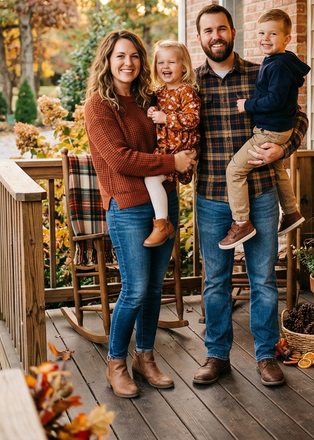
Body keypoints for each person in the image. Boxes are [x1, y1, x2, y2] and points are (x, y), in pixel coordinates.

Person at [191, 4, 308, 388]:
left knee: (263, 279)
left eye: (221, 29)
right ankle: (216, 356)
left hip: (258, 193)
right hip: (210, 194)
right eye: (208, 31)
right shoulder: (193, 85)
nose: (215, 36)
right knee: (215, 281)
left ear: (233, 32)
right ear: (200, 37)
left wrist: (284, 147)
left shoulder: (264, 71)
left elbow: (299, 118)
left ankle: (266, 355)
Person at [84, 30, 197, 398]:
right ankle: (116, 363)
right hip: (129, 206)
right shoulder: (99, 105)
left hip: (165, 200)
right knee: (134, 289)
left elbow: (174, 130)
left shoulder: (148, 97)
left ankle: (144, 359)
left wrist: (182, 159)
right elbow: (119, 159)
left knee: (153, 289)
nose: (128, 63)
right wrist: (171, 161)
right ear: (107, 59)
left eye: (134, 56)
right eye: (120, 56)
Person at [220, 9, 310, 249]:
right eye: (261, 33)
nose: (265, 38)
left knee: (234, 172)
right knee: (278, 168)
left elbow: (276, 100)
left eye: (273, 33)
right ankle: (291, 212)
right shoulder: (279, 62)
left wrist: (247, 105)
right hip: (278, 129)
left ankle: (241, 223)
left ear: (287, 39)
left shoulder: (277, 65)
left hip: (269, 131)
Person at [142, 40, 201, 247]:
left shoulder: (186, 91)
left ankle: (162, 224)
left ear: (183, 66)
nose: (165, 67)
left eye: (171, 62)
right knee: (152, 179)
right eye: (160, 62)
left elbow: (193, 119)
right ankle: (161, 223)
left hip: (180, 150)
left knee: (151, 179)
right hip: (166, 151)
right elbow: (158, 115)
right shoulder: (160, 93)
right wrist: (152, 112)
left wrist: (166, 118)